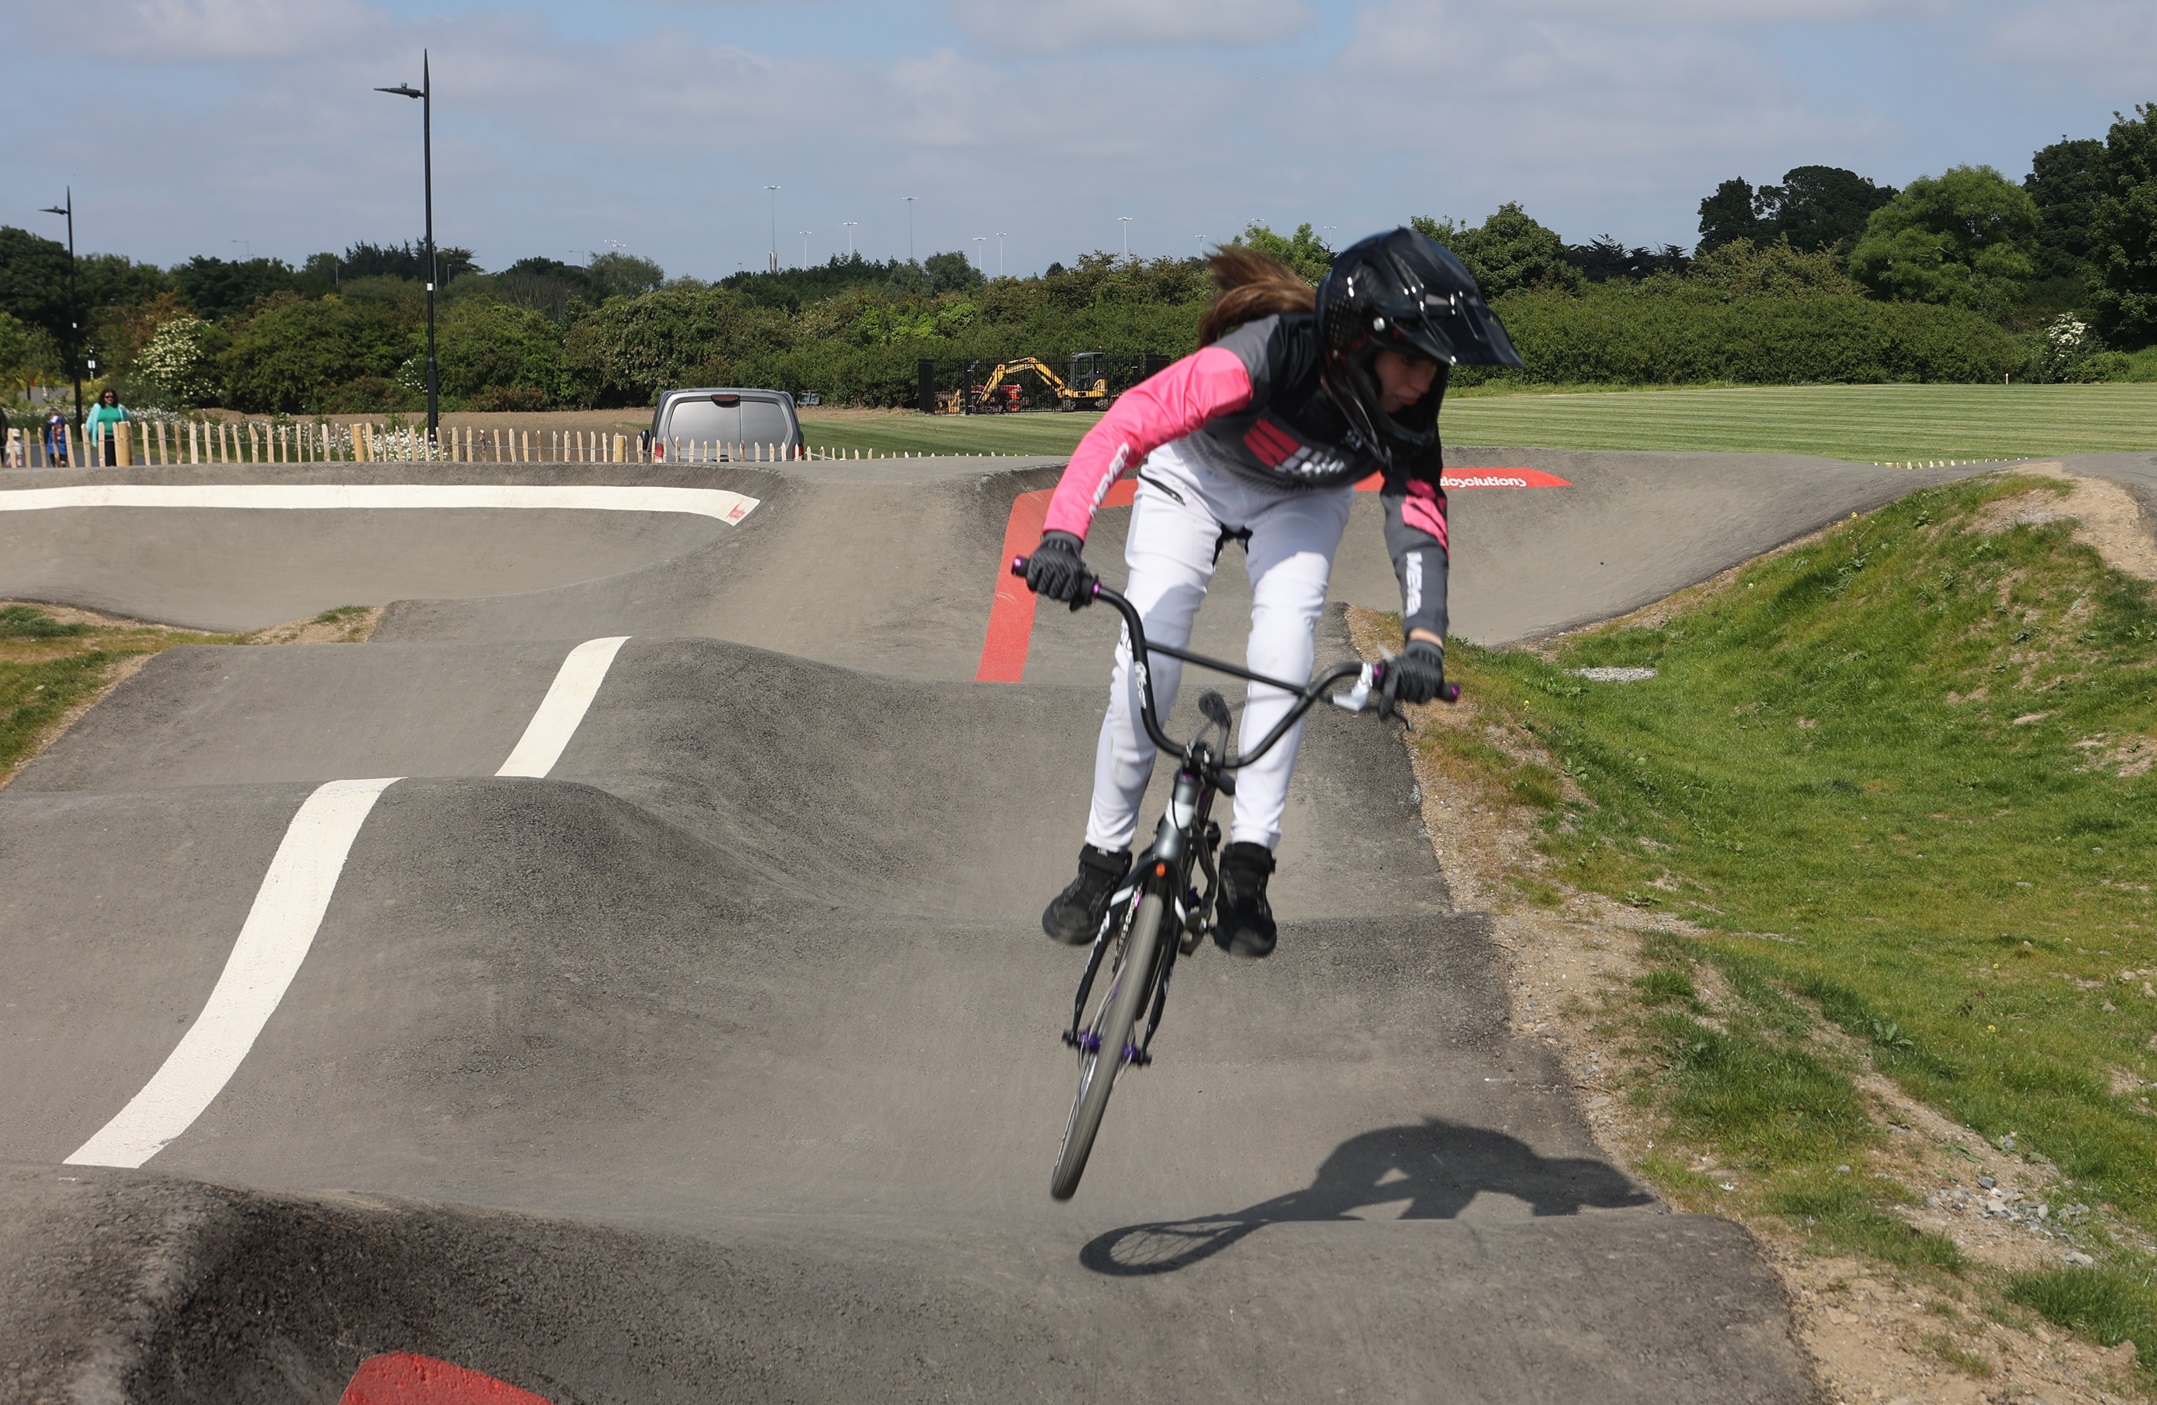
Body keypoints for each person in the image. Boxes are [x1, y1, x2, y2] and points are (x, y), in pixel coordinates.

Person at [1023, 228, 1522, 958]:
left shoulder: (1411, 420)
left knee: (1287, 650)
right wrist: (1062, 535)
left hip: (1301, 500)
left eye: (1435, 366)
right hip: (1192, 479)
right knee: (1147, 663)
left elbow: (1419, 526)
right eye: (1412, 360)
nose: (1425, 382)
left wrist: (1424, 643)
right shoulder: (1268, 352)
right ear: (1357, 342)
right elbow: (1126, 423)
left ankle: (1247, 869)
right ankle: (1098, 864)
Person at [84, 389, 129, 467]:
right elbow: (91, 420)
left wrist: (124, 411)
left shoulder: (119, 407)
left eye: (112, 396)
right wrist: (86, 432)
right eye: (107, 397)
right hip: (103, 435)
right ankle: (110, 468)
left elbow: (127, 417)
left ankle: (115, 468)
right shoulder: (97, 407)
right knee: (108, 454)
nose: (110, 398)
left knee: (117, 454)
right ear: (103, 398)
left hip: (117, 435)